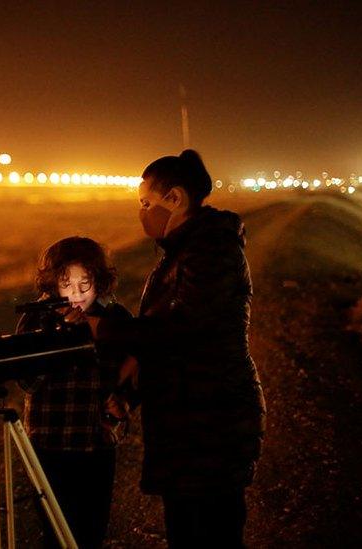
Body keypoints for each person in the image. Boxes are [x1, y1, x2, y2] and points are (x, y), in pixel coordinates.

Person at [88, 149, 266, 548]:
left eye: (146, 202)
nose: (142, 212)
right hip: (188, 422)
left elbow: (181, 331)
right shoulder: (182, 252)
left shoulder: (211, 251)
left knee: (211, 531)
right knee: (185, 529)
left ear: (175, 198)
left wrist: (105, 328)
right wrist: (132, 386)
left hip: (212, 423)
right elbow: (167, 338)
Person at [17, 236, 135, 549]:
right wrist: (59, 339)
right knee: (55, 533)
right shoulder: (37, 317)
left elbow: (135, 367)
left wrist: (124, 401)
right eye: (66, 284)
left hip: (96, 444)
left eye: (86, 283)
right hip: (48, 444)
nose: (77, 294)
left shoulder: (115, 318)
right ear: (52, 283)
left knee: (91, 531)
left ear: (100, 281)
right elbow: (27, 382)